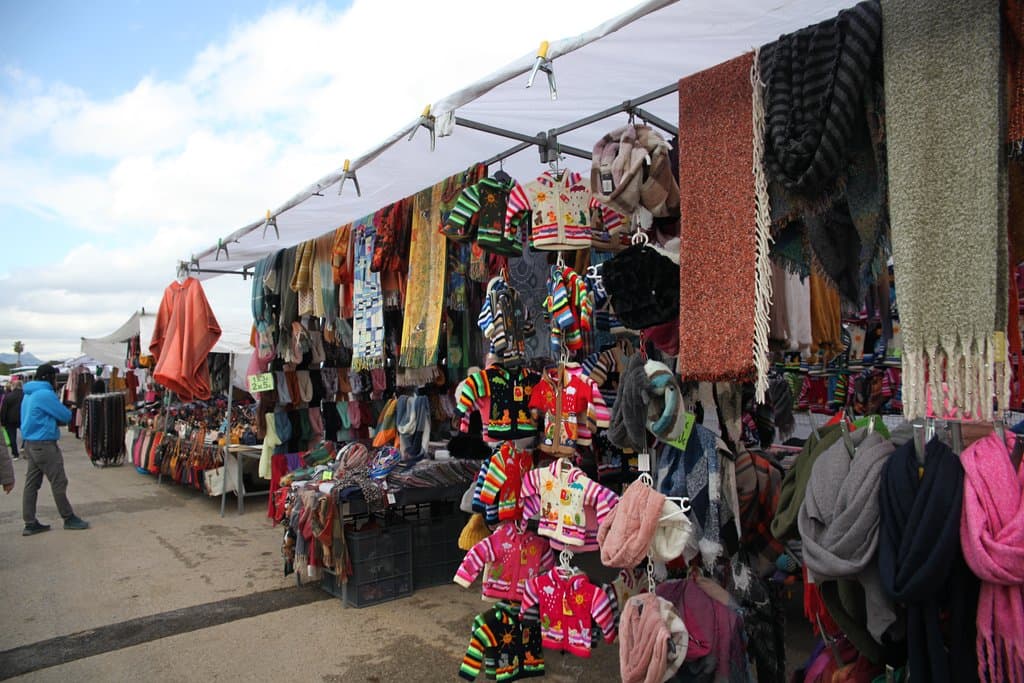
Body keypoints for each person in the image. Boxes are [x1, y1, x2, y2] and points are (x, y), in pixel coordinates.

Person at [20, 364, 89, 535]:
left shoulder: (28, 394)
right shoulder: (45, 394)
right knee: (59, 481)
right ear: (48, 377)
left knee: (31, 484)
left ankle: (29, 522)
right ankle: (68, 517)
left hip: (30, 443)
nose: (56, 381)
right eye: (54, 377)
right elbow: (65, 416)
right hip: (44, 443)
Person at [1, 380, 24, 459]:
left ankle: (15, 454)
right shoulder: (25, 395)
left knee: (12, 437)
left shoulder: (8, 396)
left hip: (10, 419)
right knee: (26, 433)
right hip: (23, 417)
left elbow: (4, 410)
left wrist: (2, 421)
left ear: (13, 386)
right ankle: (24, 447)